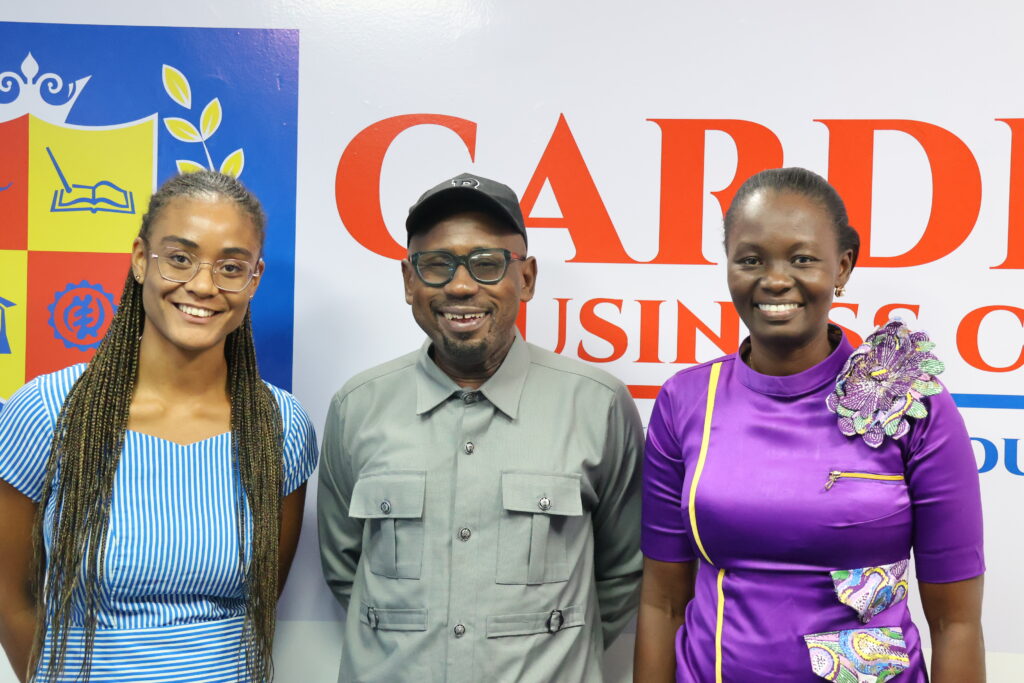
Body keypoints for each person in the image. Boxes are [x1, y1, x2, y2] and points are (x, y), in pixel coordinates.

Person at [634, 167, 985, 682]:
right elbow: (662, 604)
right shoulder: (686, 402)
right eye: (750, 259)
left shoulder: (911, 403)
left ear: (842, 266)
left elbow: (956, 623)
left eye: (802, 259)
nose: (775, 279)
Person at [318, 172, 643, 682]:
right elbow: (345, 570)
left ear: (527, 278)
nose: (461, 286)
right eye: (437, 265)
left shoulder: (597, 405)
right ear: (409, 281)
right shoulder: (357, 407)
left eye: (487, 264)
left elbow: (622, 571)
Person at [0, 171, 318, 682]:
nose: (203, 285)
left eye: (230, 267)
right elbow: (10, 599)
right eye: (180, 258)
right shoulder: (47, 410)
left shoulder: (279, 426)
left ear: (254, 279)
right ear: (140, 259)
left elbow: (262, 599)